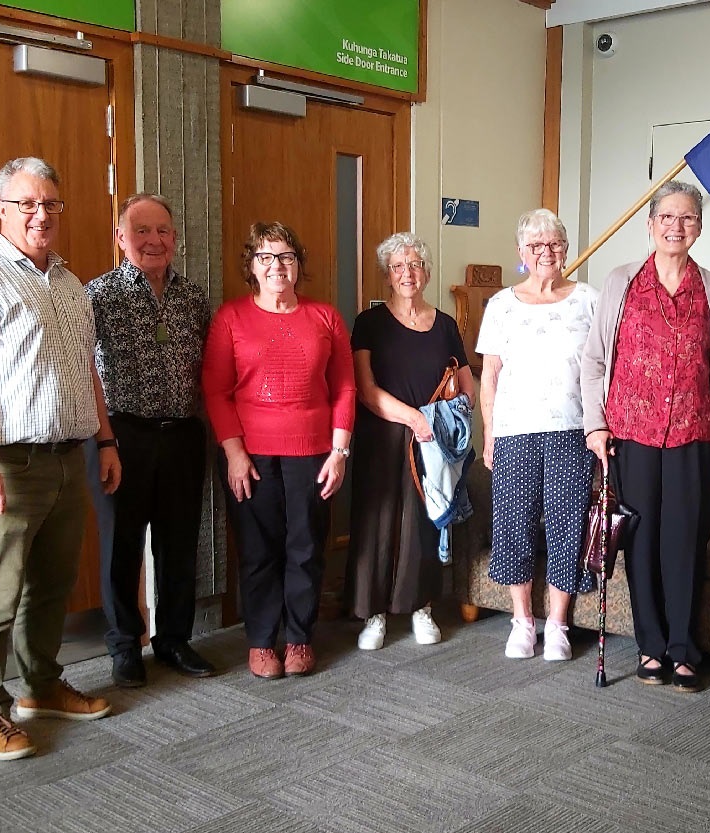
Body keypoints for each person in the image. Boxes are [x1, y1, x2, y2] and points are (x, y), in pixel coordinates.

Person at [0, 157, 121, 761]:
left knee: (52, 585)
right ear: (3, 210)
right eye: (27, 204)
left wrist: (104, 440)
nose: (41, 214)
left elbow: (87, 372)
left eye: (51, 204)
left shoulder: (69, 283)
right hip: (6, 465)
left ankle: (40, 687)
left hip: (69, 459)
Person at [581, 181, 710, 690]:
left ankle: (684, 648)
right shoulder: (621, 282)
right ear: (650, 225)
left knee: (685, 542)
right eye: (667, 217)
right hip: (632, 435)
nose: (677, 226)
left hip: (695, 436)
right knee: (641, 542)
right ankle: (651, 647)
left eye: (688, 218)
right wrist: (596, 424)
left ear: (699, 226)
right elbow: (594, 360)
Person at [202, 221, 356, 679]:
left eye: (286, 256)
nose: (276, 266)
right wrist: (233, 453)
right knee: (258, 549)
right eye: (265, 257)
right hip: (250, 454)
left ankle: (299, 637)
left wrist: (339, 451)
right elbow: (215, 391)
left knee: (306, 547)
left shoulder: (325, 317)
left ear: (299, 265)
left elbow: (345, 387)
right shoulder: (230, 318)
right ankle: (262, 640)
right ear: (251, 266)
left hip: (314, 452)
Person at [86, 193, 214, 688]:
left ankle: (174, 639)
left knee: (180, 542)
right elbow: (84, 371)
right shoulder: (97, 294)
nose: (153, 240)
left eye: (162, 231)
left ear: (175, 240)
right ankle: (124, 646)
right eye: (140, 231)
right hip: (122, 435)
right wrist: (103, 441)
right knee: (121, 546)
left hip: (182, 434)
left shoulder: (193, 297)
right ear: (121, 239)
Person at [477, 208, 599, 661]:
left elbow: (604, 369)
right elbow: (489, 375)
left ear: (565, 249)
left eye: (555, 244)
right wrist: (488, 434)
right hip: (514, 432)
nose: (546, 253)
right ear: (521, 253)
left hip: (573, 430)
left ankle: (559, 624)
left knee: (569, 525)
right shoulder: (502, 305)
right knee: (514, 524)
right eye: (535, 246)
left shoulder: (589, 299)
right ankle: (522, 621)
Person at [346, 233, 474, 650]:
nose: (407, 273)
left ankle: (422, 608)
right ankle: (375, 615)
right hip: (383, 436)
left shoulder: (446, 325)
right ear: (387, 275)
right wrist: (412, 417)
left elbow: (466, 381)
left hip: (433, 441)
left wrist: (456, 411)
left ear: (427, 272)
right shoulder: (369, 323)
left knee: (424, 522)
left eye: (415, 264)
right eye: (398, 266)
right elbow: (365, 389)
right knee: (377, 524)